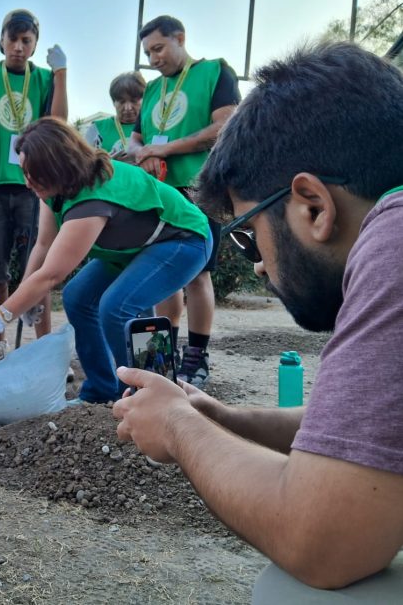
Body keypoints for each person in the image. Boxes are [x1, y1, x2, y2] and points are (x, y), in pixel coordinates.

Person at [113, 43, 403, 600]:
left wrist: (178, 427)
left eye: (247, 234)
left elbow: (320, 540)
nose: (260, 265)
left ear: (312, 205)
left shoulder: (393, 246)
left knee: (291, 593)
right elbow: (363, 434)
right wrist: (221, 417)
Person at [0, 118, 211, 403]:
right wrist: (26, 296)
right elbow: (44, 246)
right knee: (77, 296)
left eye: (32, 173)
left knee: (117, 306)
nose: (26, 182)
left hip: (183, 240)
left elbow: (52, 275)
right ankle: (101, 390)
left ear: (56, 165)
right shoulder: (55, 189)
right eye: (24, 172)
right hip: (136, 246)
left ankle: (152, 398)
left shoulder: (91, 199)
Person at [127, 15, 240, 388]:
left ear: (180, 38)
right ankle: (162, 355)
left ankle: (197, 355)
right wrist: (139, 151)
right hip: (158, 194)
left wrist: (167, 148)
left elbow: (225, 126)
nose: (154, 58)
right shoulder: (153, 90)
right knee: (161, 274)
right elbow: (137, 137)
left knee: (197, 274)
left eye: (158, 48)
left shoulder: (215, 72)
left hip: (200, 191)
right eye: (148, 53)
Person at [0, 9, 68, 366]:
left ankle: (43, 348)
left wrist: (62, 75)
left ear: (34, 45)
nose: (18, 47)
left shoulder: (43, 79)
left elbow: (59, 121)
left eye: (26, 41)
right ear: (1, 41)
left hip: (34, 187)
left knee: (37, 269)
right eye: (12, 39)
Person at [85, 71, 146, 161]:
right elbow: (83, 164)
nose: (128, 108)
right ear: (114, 102)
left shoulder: (153, 126)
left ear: (144, 100)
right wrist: (106, 163)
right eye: (122, 102)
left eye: (134, 101)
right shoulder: (96, 129)